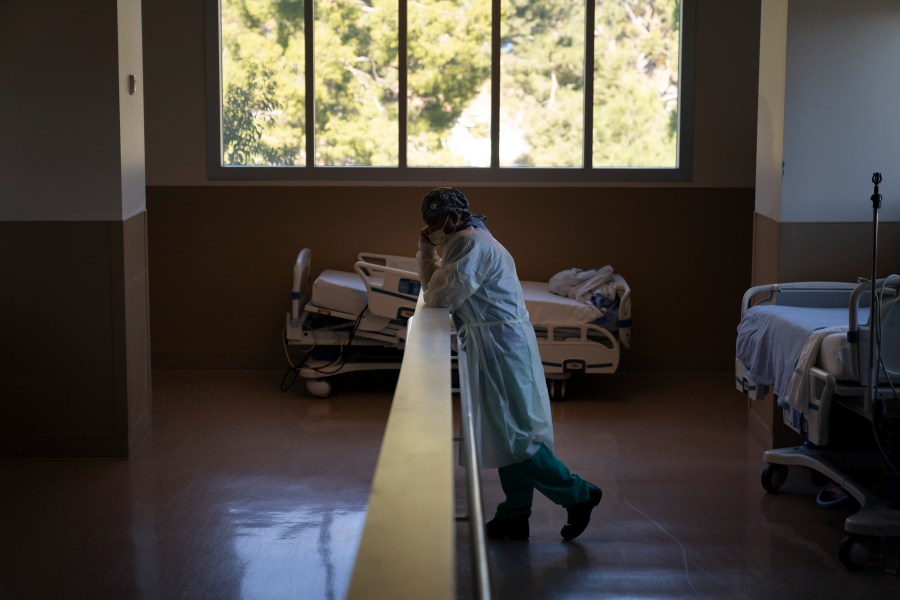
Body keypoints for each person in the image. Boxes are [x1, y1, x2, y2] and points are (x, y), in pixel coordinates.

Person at [416, 187, 602, 541]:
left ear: (455, 217)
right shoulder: (471, 239)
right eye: (427, 224)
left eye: (436, 222)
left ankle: (580, 494)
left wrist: (426, 252)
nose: (431, 229)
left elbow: (440, 297)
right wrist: (428, 252)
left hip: (500, 347)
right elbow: (438, 290)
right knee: (506, 433)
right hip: (498, 345)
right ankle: (514, 514)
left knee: (517, 438)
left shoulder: (469, 243)